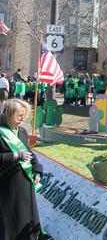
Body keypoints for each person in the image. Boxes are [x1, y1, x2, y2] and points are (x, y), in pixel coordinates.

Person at [0, 99, 43, 240]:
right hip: (7, 186)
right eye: (19, 115)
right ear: (8, 114)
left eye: (23, 115)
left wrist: (37, 170)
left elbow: (29, 152)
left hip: (24, 184)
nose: (22, 118)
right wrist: (14, 156)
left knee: (26, 220)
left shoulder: (22, 131)